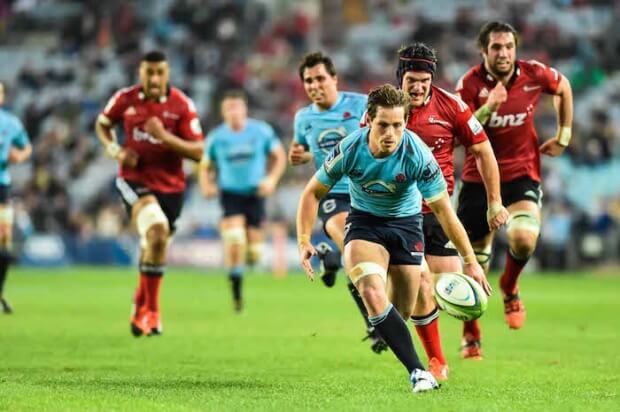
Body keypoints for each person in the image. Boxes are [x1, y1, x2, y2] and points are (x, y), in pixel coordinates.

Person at [296, 84, 490, 393]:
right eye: (383, 124)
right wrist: (303, 238)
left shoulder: (418, 155)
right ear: (369, 120)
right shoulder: (351, 148)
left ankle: (381, 322)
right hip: (364, 224)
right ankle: (419, 372)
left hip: (406, 227)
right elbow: (312, 193)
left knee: (400, 314)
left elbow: (444, 212)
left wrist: (471, 262)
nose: (390, 132)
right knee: (372, 291)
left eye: (398, 125)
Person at [396, 43, 509, 368]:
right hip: (400, 215)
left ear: (431, 78)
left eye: (423, 80)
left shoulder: (451, 107)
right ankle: (436, 361)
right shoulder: (384, 110)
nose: (417, 87)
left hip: (440, 212)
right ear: (400, 77)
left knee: (455, 287)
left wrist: (494, 203)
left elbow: (484, 151)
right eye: (410, 81)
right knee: (420, 283)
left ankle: (470, 333)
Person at [455, 21, 573, 331]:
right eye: (496, 47)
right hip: (478, 178)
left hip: (522, 173)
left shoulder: (534, 74)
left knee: (523, 239)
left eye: (509, 46)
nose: (504, 52)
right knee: (475, 263)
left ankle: (510, 286)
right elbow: (457, 135)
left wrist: (564, 134)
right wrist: (488, 108)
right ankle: (472, 332)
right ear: (484, 50)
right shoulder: (468, 85)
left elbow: (563, 87)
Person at [95, 51, 205, 337]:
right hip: (134, 180)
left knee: (153, 247)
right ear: (140, 72)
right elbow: (103, 124)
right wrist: (115, 150)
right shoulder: (125, 99)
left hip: (171, 187)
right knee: (156, 232)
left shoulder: (181, 105)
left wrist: (165, 136)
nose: (154, 78)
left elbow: (199, 152)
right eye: (149, 72)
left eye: (159, 72)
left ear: (167, 74)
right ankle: (153, 314)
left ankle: (139, 305)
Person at [288, 51, 387, 353]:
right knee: (351, 243)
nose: (315, 85)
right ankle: (375, 324)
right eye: (308, 81)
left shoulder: (360, 105)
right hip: (334, 194)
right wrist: (300, 155)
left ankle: (328, 258)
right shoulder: (303, 118)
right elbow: (304, 150)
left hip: (369, 191)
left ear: (334, 79)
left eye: (320, 78)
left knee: (371, 260)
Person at [199, 90, 286, 312]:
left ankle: (250, 253)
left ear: (244, 109)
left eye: (237, 107)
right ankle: (237, 296)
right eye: (229, 108)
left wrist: (272, 180)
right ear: (223, 112)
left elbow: (279, 156)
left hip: (255, 193)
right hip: (231, 194)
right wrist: (206, 184)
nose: (234, 112)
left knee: (254, 252)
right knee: (235, 238)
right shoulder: (217, 137)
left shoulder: (261, 131)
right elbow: (205, 165)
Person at [0, 81, 32, 314]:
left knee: (4, 239)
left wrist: (19, 157)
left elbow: (27, 147)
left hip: (2, 185)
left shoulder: (10, 123)